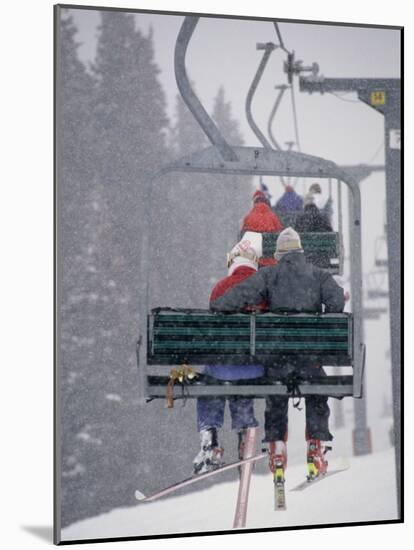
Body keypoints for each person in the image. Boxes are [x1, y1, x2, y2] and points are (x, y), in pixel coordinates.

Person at [210, 227, 345, 479]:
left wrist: (218, 304)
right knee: (317, 395)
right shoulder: (319, 275)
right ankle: (316, 444)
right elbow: (337, 301)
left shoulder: (269, 275)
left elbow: (239, 296)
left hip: (278, 359)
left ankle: (276, 446)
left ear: (279, 254)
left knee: (276, 394)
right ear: (301, 251)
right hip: (309, 361)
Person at [193, 233, 266, 475]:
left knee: (212, 382)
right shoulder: (264, 286)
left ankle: (210, 438)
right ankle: (245, 433)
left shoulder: (220, 288)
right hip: (255, 369)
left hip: (223, 366)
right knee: (242, 380)